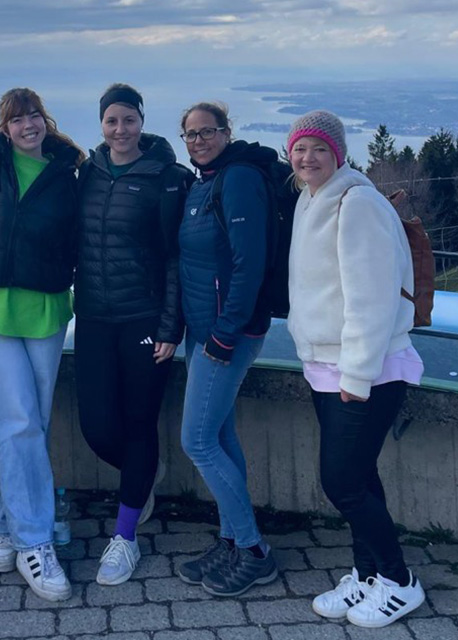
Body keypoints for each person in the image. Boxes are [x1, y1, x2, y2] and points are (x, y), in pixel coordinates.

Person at [285, 110, 426, 628]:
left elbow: (372, 297)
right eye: (300, 149)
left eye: (318, 149)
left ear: (338, 153)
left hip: (366, 369)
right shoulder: (311, 198)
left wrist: (357, 376)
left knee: (341, 484)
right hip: (328, 364)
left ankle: (399, 580)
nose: (307, 158)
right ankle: (368, 575)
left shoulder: (357, 201)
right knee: (360, 477)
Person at [0, 88, 85, 602]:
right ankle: (36, 541)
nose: (27, 125)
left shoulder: (67, 171)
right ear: (4, 126)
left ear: (44, 120)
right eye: (17, 119)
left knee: (30, 422)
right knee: (15, 418)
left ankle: (9, 526)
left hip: (46, 308)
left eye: (33, 115)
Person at [74, 83, 193, 585]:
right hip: (96, 319)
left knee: (140, 423)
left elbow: (175, 257)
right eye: (111, 121)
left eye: (129, 120)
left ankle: (124, 537)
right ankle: (142, 476)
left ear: (142, 121)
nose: (120, 130)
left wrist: (171, 326)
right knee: (97, 427)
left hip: (145, 321)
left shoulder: (167, 178)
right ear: (101, 125)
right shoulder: (87, 172)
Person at [175, 101, 279, 596]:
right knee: (219, 436)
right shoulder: (204, 181)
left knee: (195, 441)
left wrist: (223, 334)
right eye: (190, 135)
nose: (198, 141)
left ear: (226, 131)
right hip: (204, 329)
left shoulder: (237, 179)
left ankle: (255, 550)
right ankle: (232, 540)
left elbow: (249, 263)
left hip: (226, 334)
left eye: (207, 131)